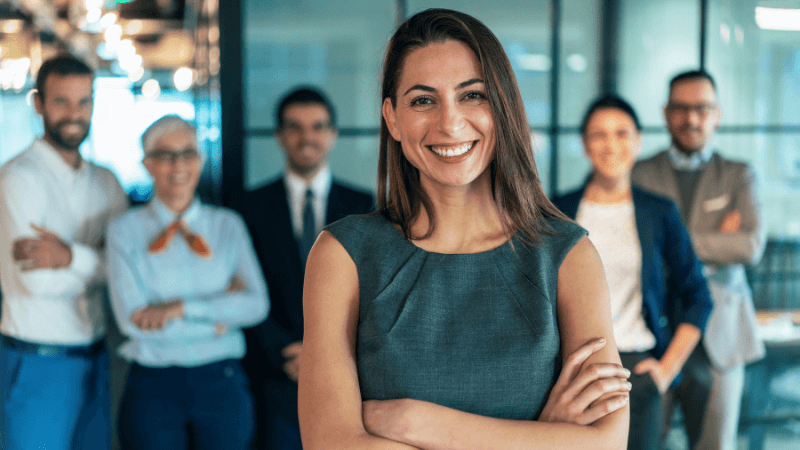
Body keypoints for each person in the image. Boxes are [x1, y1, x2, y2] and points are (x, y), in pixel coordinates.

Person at [298, 9, 632, 450]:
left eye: (472, 95)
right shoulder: (341, 256)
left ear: (503, 106)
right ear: (392, 118)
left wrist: (412, 420)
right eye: (422, 100)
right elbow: (332, 444)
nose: (450, 123)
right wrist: (542, 436)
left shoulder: (566, 255)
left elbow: (606, 443)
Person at [552, 95, 713, 450]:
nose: (611, 145)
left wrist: (665, 371)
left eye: (622, 133)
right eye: (599, 135)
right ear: (584, 144)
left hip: (636, 371)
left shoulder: (659, 212)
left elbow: (698, 296)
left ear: (638, 141)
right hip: (571, 372)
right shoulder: (557, 211)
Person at [106, 115, 269, 450]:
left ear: (200, 160)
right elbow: (133, 322)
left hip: (221, 382)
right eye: (165, 155)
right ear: (147, 165)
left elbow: (256, 306)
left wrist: (178, 309)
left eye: (188, 153)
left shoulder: (228, 225)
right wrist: (219, 317)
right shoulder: (124, 230)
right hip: (153, 384)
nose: (178, 164)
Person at [632, 70, 766, 450]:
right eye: (682, 108)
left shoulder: (739, 175)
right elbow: (634, 247)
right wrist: (716, 241)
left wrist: (672, 245)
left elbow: (750, 244)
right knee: (643, 442)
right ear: (665, 112)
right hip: (653, 331)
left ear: (717, 114)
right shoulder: (641, 174)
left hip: (721, 335)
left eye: (702, 109)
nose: (692, 118)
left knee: (715, 445)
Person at [0, 54, 128, 449]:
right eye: (61, 101)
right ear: (38, 103)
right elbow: (35, 284)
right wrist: (96, 259)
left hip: (98, 359)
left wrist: (68, 258)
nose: (74, 114)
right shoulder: (18, 179)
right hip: (38, 363)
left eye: (83, 101)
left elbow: (128, 269)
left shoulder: (107, 183)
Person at [238, 87, 375, 450]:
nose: (306, 137)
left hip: (345, 370)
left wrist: (327, 352)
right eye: (295, 127)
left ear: (332, 134)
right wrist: (287, 351)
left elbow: (371, 290)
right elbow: (242, 287)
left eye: (317, 127)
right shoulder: (249, 207)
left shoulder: (365, 206)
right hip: (275, 368)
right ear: (280, 135)